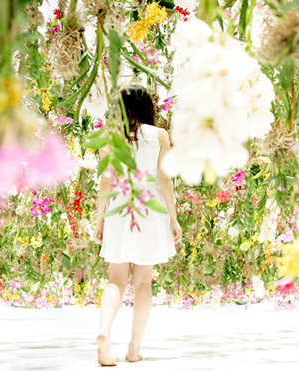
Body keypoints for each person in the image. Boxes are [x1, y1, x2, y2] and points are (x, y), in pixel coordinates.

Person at [93, 85, 182, 366]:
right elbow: (164, 180)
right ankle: (134, 349)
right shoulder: (160, 136)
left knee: (115, 279)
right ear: (148, 107)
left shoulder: (110, 137)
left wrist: (99, 219)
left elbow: (106, 181)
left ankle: (103, 333)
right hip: (150, 206)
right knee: (143, 280)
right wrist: (173, 217)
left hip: (119, 206)